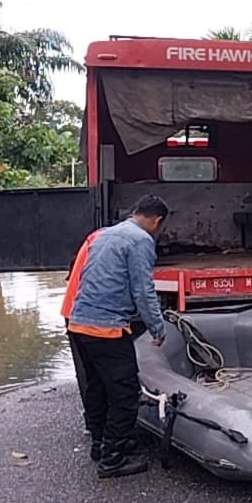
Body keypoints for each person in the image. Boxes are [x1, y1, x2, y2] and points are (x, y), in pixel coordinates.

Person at [66, 194, 169, 478]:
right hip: (107, 328)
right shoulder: (140, 240)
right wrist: (157, 327)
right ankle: (112, 460)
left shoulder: (104, 235)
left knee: (98, 388)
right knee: (125, 394)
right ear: (157, 221)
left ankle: (100, 445)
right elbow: (143, 290)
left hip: (79, 324)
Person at [61, 227, 105, 444]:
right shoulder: (106, 244)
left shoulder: (96, 241)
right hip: (82, 315)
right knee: (93, 375)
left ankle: (96, 426)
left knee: (90, 375)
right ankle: (96, 426)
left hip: (78, 314)